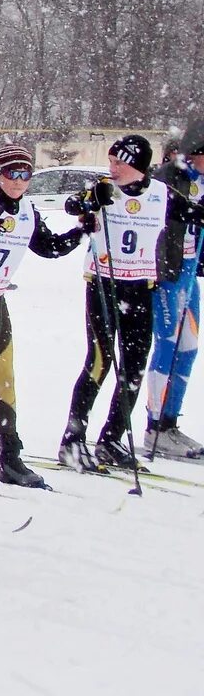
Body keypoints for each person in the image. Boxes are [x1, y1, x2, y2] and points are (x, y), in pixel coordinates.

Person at [59, 135, 174, 471]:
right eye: (110, 162)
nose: (112, 169)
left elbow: (194, 213)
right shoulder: (103, 188)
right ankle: (72, 440)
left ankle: (111, 439)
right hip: (104, 285)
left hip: (141, 288)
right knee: (99, 362)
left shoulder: (161, 193)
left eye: (118, 163)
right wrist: (88, 202)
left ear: (137, 166)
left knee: (135, 367)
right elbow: (72, 205)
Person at [0, 144, 84, 488]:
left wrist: (81, 230)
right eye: (12, 173)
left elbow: (48, 247)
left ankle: (11, 458)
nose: (19, 181)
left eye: (25, 175)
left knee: (4, 377)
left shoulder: (28, 211)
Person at [143, 121, 204, 460]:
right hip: (168, 273)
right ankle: (154, 427)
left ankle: (169, 422)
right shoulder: (169, 177)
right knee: (166, 345)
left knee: (190, 348)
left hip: (190, 272)